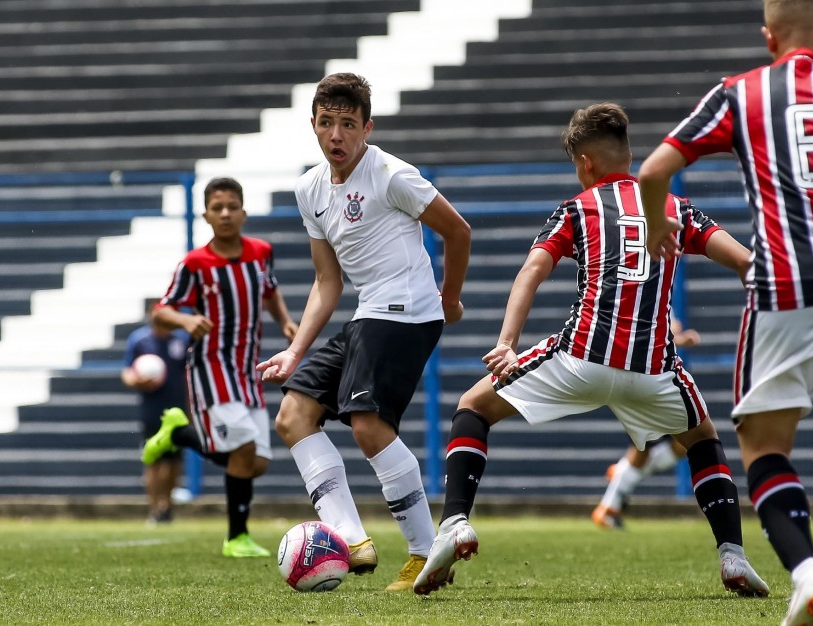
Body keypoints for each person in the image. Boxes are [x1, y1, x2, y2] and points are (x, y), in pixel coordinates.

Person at [412, 103, 770, 600]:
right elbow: (743, 261)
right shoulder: (674, 207)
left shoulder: (577, 209)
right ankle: (732, 554)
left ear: (585, 163)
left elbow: (532, 272)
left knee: (473, 406)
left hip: (581, 357)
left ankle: (454, 524)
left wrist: (507, 344)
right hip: (653, 370)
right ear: (626, 153)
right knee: (704, 441)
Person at [639, 2, 813, 623]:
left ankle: (808, 574)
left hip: (783, 285)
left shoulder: (740, 93)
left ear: (767, 37)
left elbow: (655, 170)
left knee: (762, 448)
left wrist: (658, 227)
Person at [256, 72, 471, 591]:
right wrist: (295, 350)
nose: (336, 135)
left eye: (348, 124)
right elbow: (327, 282)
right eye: (327, 123)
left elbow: (458, 230)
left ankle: (426, 553)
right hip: (367, 313)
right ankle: (351, 539)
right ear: (312, 124)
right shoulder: (309, 188)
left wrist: (448, 297)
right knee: (293, 414)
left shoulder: (393, 175)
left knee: (367, 422)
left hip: (409, 311)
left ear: (367, 128)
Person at [141, 176, 299, 558]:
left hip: (247, 368)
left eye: (232, 206)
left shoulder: (261, 252)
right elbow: (161, 310)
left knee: (256, 462)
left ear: (243, 212)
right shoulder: (195, 264)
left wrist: (285, 322)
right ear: (206, 215)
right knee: (243, 446)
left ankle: (180, 434)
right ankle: (236, 537)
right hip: (210, 367)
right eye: (217, 208)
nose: (225, 213)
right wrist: (185, 321)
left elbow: (270, 290)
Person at [591, 317, 697, 529]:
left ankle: (621, 476)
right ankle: (610, 504)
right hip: (642, 379)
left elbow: (669, 325)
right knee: (648, 445)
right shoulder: (639, 290)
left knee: (679, 445)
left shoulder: (659, 287)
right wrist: (681, 339)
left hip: (653, 378)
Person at [121, 306, 190, 525]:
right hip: (151, 411)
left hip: (177, 412)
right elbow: (127, 372)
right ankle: (154, 508)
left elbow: (187, 375)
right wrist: (136, 381)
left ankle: (166, 505)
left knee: (173, 462)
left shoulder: (180, 341)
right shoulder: (139, 340)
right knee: (153, 460)